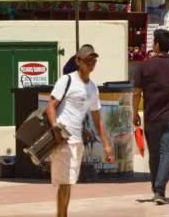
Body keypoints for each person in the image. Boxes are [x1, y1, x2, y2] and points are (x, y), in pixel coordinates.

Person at [46, 45, 114, 217]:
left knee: (69, 182)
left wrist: (106, 145)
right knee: (65, 183)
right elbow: (50, 106)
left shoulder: (92, 88)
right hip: (63, 139)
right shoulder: (67, 80)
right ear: (78, 61)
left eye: (94, 59)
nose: (91, 63)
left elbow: (97, 120)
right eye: (87, 59)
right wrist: (55, 127)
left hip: (77, 141)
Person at [133, 29, 169, 205]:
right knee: (167, 153)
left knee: (155, 155)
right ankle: (160, 190)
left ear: (157, 45)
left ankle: (156, 189)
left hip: (152, 117)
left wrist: (135, 112)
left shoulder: (144, 66)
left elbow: (136, 92)